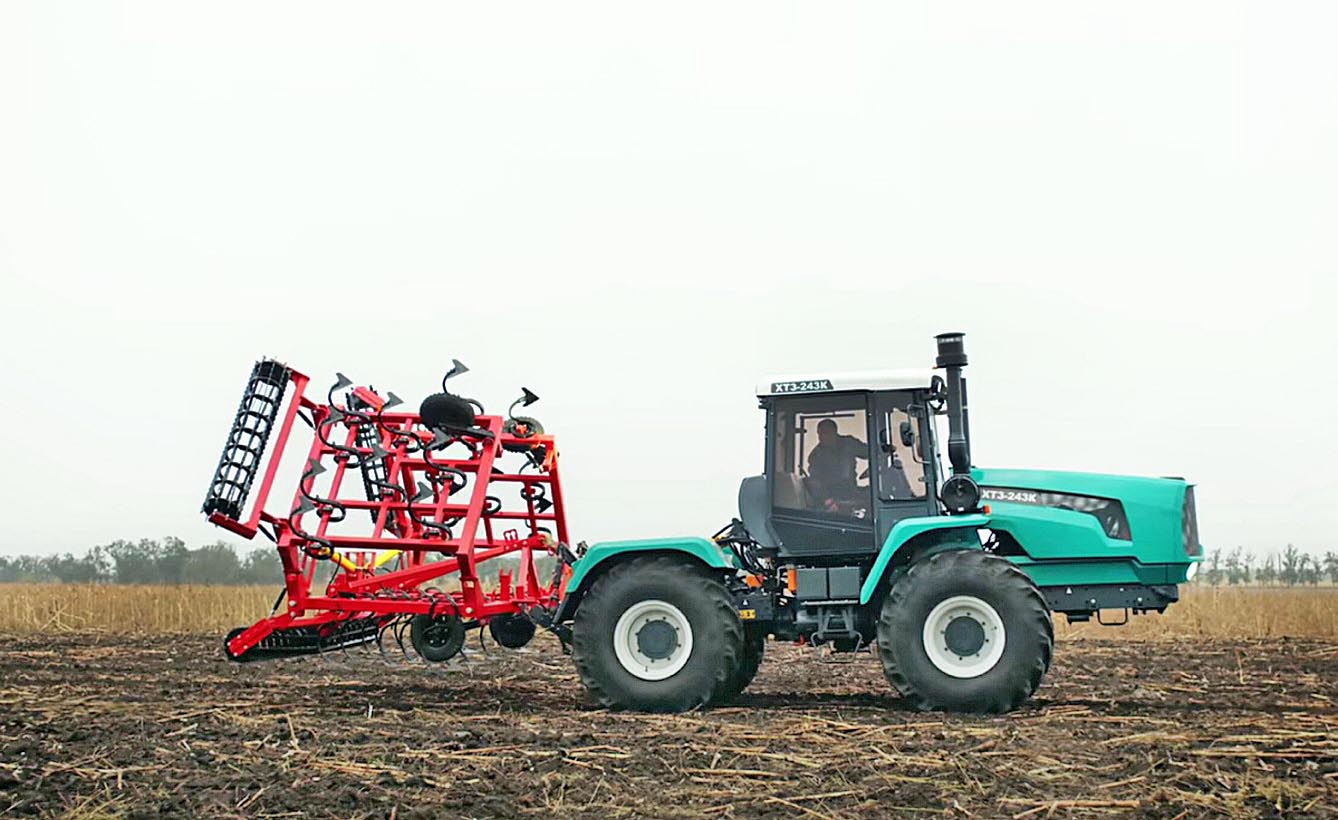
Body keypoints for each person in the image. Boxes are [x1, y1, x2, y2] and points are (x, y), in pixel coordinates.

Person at [806, 419, 867, 505]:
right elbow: (815, 480)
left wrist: (882, 451)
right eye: (819, 434)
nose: (821, 437)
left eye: (825, 432)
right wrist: (826, 500)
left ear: (834, 432)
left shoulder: (849, 443)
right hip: (832, 497)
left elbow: (869, 452)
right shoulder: (816, 455)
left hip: (851, 490)